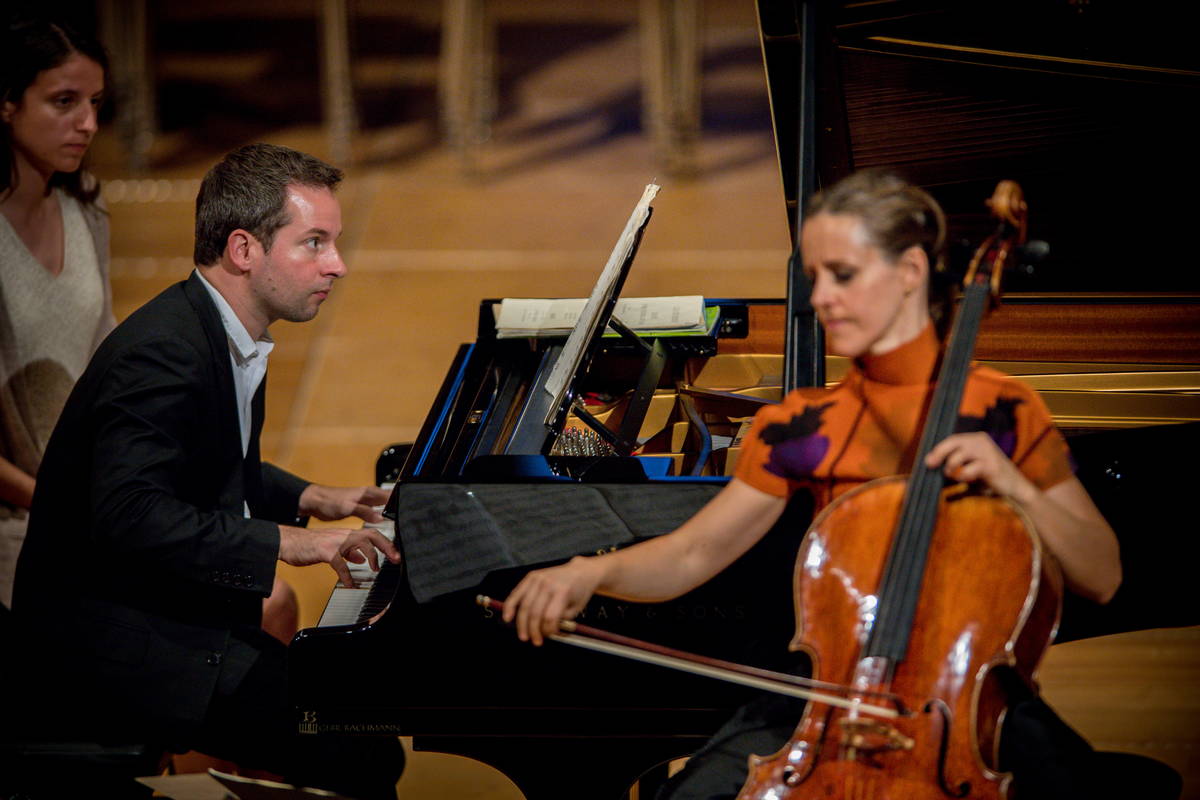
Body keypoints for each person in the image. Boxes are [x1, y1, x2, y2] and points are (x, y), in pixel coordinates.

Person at [500, 170, 1158, 798]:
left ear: (908, 274)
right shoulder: (803, 425)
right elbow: (691, 554)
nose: (819, 299)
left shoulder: (1003, 412)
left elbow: (1101, 575)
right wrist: (586, 572)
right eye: (815, 278)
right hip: (821, 691)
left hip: (969, 708)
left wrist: (1015, 485)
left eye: (842, 276)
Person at [11, 143, 405, 799]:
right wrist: (300, 542)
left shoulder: (224, 328)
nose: (338, 264)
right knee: (359, 748)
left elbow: (217, 462)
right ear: (244, 249)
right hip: (114, 644)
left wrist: (317, 497)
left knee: (353, 724)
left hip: (159, 610)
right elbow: (130, 514)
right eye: (313, 243)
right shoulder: (164, 354)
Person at [0, 14, 113, 609]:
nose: (88, 124)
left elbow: (107, 359)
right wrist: (60, 503)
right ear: (7, 104)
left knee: (266, 597)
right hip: (22, 520)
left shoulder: (87, 210)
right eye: (64, 102)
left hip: (93, 495)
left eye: (94, 103)